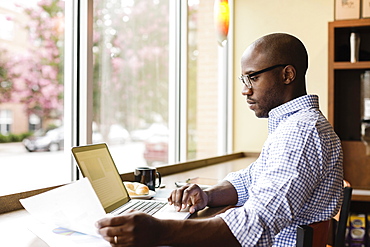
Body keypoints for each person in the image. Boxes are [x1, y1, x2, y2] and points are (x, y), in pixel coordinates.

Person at [96, 33, 344, 246]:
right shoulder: (293, 126)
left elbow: (254, 227)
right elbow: (249, 181)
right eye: (244, 80)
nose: (246, 90)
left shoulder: (302, 132)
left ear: (287, 74)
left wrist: (159, 231)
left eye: (253, 78)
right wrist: (208, 195)